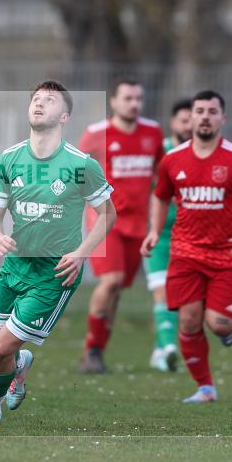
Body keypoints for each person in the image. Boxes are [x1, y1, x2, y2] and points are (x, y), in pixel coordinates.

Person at [0, 80, 116, 429]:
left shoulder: (81, 164)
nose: (40, 104)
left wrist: (81, 254)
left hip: (54, 273)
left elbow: (108, 214)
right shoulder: (10, 158)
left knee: (1, 349)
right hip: (14, 266)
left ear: (65, 116)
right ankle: (20, 365)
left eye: (50, 100)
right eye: (36, 99)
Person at [141, 90, 232, 403]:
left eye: (212, 111)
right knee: (188, 320)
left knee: (219, 324)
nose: (205, 116)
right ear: (191, 117)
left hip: (227, 253)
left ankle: (228, 330)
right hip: (185, 252)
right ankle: (205, 387)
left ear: (222, 118)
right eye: (200, 111)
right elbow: (160, 196)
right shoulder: (173, 159)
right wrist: (155, 231)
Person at [78, 79, 164, 374]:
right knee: (111, 280)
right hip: (105, 219)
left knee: (118, 290)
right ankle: (91, 349)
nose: (134, 104)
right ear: (113, 102)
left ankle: (96, 351)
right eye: (127, 98)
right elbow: (75, 173)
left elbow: (159, 176)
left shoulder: (152, 132)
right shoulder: (96, 134)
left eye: (138, 98)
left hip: (138, 224)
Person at [145, 98, 193, 372]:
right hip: (160, 235)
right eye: (183, 120)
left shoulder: (201, 153)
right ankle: (169, 348)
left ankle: (160, 349)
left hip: (190, 235)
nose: (188, 125)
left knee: (183, 298)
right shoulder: (158, 152)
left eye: (192, 120)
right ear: (173, 122)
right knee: (162, 292)